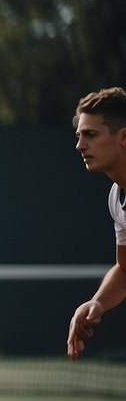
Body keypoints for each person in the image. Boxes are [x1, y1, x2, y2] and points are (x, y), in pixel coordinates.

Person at [68, 86, 126, 360]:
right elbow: (125, 269)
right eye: (79, 135)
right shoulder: (116, 197)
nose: (80, 145)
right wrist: (98, 302)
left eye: (90, 135)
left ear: (123, 137)